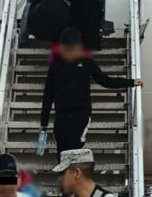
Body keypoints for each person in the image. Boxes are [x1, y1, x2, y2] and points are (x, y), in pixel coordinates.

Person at [40, 28, 143, 159]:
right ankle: (65, 171)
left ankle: (74, 169)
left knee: (73, 147)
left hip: (81, 113)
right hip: (62, 114)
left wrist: (130, 82)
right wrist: (44, 122)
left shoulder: (86, 62)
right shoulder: (56, 65)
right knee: (62, 150)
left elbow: (105, 80)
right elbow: (48, 94)